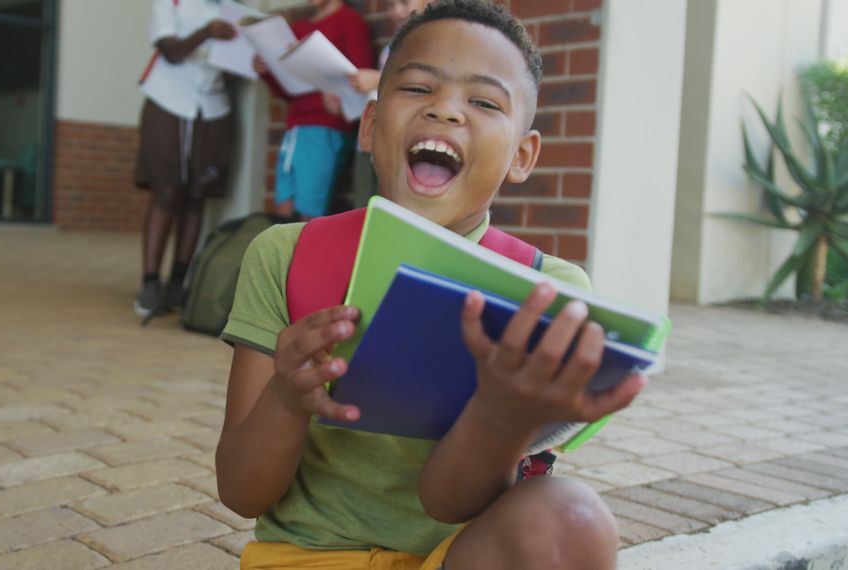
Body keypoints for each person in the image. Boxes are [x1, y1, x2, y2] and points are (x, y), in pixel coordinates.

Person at [216, 1, 648, 568]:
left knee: (569, 516)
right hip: (306, 557)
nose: (446, 110)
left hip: (457, 554)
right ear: (370, 124)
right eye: (418, 89)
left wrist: (501, 414)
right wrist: (287, 399)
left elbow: (448, 502)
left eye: (484, 101)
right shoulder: (288, 255)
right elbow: (241, 492)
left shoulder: (545, 295)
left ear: (522, 155)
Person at [135, 0, 239, 316]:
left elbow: (235, 66)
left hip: (213, 108)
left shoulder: (235, 11)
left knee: (197, 197)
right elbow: (171, 51)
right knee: (166, 192)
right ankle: (151, 282)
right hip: (169, 101)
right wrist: (207, 32)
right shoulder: (171, 3)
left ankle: (178, 283)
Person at [253, 0, 374, 220]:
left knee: (309, 212)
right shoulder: (298, 28)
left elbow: (361, 80)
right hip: (295, 128)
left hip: (326, 127)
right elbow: (290, 92)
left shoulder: (349, 20)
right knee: (283, 208)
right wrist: (267, 72)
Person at [346, 0, 438, 99]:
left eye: (404, 3)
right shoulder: (388, 51)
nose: (397, 11)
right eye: (391, 5)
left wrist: (380, 80)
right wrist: (346, 105)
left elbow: (431, 83)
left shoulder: (440, 44)